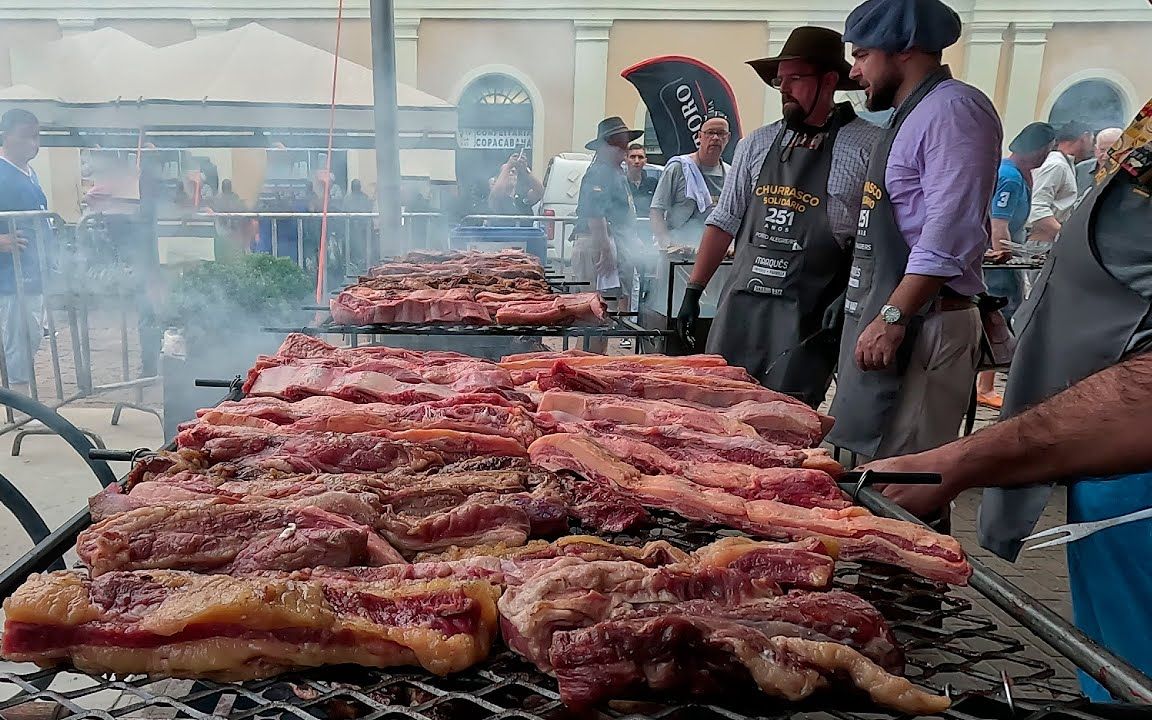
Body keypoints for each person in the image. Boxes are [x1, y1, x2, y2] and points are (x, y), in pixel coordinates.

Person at [865, 98, 1152, 700]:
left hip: (1137, 469)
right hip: (1101, 457)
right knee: (1114, 670)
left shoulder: (953, 117)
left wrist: (960, 464)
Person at [827, 0, 1003, 474]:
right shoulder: (910, 113)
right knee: (875, 473)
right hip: (902, 318)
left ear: (902, 48)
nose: (855, 70)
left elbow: (951, 229)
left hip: (929, 323)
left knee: (908, 480)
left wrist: (892, 314)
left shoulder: (955, 110)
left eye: (862, 55)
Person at [676, 26, 881, 407]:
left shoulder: (868, 146)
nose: (784, 89)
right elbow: (725, 220)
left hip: (809, 312)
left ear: (829, 80)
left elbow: (876, 237)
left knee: (785, 416)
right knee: (716, 406)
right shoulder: (757, 142)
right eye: (780, 80)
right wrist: (694, 289)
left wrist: (856, 296)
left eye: (796, 79)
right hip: (742, 304)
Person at [975, 122, 1056, 409]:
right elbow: (999, 226)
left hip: (1007, 257)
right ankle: (984, 387)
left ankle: (984, 385)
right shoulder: (1009, 177)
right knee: (999, 319)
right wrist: (1005, 255)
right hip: (998, 265)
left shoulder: (1018, 174)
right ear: (1039, 151)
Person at [572, 116, 642, 353]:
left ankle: (591, 365)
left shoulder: (616, 172)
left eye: (624, 143)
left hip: (611, 244)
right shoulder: (599, 172)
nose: (623, 149)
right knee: (594, 316)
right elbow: (595, 214)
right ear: (604, 146)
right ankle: (584, 367)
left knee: (604, 317)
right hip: (597, 245)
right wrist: (606, 249)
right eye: (617, 144)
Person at [0, 109, 51, 393]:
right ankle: (18, 405)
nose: (34, 143)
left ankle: (19, 399)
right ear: (5, 136)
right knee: (18, 339)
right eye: (26, 137)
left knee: (30, 336)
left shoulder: (30, 174)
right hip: (9, 278)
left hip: (33, 274)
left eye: (36, 136)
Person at [650, 112, 732, 250]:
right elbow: (656, 211)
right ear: (700, 136)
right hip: (678, 252)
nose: (715, 138)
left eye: (721, 133)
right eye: (710, 133)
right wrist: (667, 244)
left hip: (714, 253)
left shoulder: (730, 173)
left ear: (728, 137)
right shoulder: (678, 167)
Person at [1027, 120, 1092, 244]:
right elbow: (1037, 207)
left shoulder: (1066, 164)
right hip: (1043, 243)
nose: (1093, 146)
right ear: (1084, 137)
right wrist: (1065, 238)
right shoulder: (1056, 165)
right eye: (1092, 140)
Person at [487, 151, 543, 225]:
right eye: (507, 172)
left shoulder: (522, 198)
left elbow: (540, 191)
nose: (510, 173)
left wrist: (525, 170)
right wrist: (509, 165)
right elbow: (496, 194)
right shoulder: (496, 200)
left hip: (527, 236)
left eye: (513, 172)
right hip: (504, 236)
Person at [1075, 126, 1123, 194]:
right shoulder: (1080, 169)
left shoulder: (1125, 175)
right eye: (1102, 150)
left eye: (1111, 150)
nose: (1106, 155)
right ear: (1095, 149)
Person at [625, 144, 658, 217]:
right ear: (626, 160)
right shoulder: (620, 183)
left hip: (647, 226)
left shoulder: (653, 184)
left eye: (640, 157)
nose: (636, 161)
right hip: (625, 227)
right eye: (632, 157)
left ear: (645, 161)